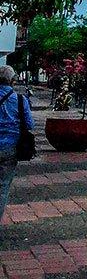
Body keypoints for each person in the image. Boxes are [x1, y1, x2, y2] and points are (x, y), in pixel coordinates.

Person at [0, 66, 35, 224]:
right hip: (10, 148)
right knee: (3, 187)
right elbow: (29, 124)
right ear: (12, 80)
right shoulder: (20, 100)